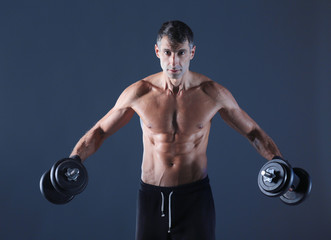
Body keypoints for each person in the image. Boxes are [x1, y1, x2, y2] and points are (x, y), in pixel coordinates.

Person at [69, 20, 282, 240]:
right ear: (157, 51)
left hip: (195, 199)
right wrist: (73, 161)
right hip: (152, 200)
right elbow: (99, 132)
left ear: (192, 52)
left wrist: (279, 163)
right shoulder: (139, 93)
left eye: (181, 52)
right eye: (168, 52)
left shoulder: (212, 94)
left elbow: (253, 133)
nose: (174, 62)